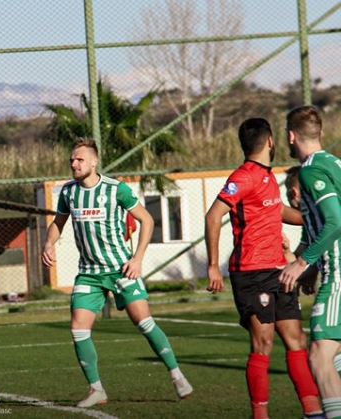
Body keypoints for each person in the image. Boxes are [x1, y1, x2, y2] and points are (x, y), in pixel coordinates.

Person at [41, 137, 192, 407]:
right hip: (89, 273)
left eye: (79, 160)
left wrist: (138, 259)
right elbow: (58, 222)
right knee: (78, 328)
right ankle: (96, 389)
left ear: (94, 162)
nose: (74, 164)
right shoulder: (68, 192)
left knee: (144, 322)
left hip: (121, 269)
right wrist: (49, 243)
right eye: (72, 160)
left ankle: (177, 376)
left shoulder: (115, 189)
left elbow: (147, 220)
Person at [204, 118, 322, 419]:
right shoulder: (243, 176)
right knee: (264, 342)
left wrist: (312, 217)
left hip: (279, 270)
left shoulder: (267, 176)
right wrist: (213, 266)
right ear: (270, 141)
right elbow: (213, 215)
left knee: (296, 339)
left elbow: (276, 210)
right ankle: (260, 415)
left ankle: (313, 411)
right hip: (251, 273)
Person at [280, 105, 341, 418]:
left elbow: (335, 221)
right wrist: (311, 268)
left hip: (339, 277)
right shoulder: (335, 164)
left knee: (318, 356)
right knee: (333, 355)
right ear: (320, 133)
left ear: (291, 136)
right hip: (331, 271)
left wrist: (302, 262)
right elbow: (319, 225)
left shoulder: (310, 170)